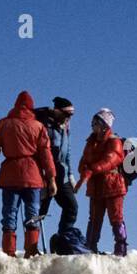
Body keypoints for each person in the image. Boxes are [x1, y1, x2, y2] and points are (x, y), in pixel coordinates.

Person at [0, 91, 56, 258]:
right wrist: (51, 177)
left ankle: (8, 252)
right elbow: (46, 153)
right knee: (32, 213)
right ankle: (31, 250)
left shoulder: (3, 124)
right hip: (32, 174)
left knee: (9, 213)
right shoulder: (38, 126)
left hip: (9, 174)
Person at [75, 108, 128, 256]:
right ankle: (90, 246)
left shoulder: (114, 141)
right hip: (96, 186)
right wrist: (84, 168)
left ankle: (121, 248)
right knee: (94, 218)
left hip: (113, 185)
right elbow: (83, 161)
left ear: (105, 124)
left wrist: (91, 169)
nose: (92, 125)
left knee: (116, 217)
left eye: (96, 122)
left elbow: (110, 160)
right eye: (93, 122)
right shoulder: (91, 142)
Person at [34, 96, 79, 236]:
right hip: (44, 174)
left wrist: (70, 174)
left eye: (71, 115)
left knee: (71, 206)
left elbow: (67, 152)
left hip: (62, 174)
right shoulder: (43, 124)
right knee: (40, 210)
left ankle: (63, 238)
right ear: (57, 111)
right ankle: (32, 245)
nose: (69, 118)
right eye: (67, 114)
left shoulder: (65, 127)